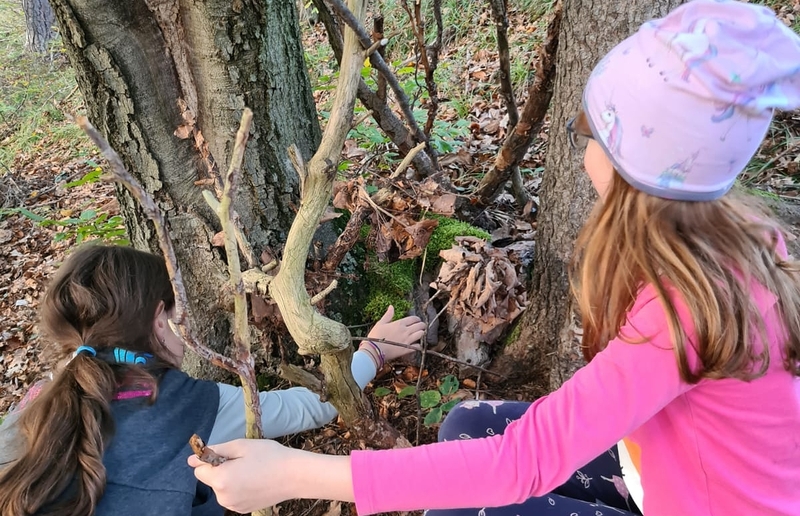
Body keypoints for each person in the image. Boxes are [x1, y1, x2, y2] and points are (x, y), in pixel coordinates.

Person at [188, 1, 800, 515]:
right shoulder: (726, 237)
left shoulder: (681, 309)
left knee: (468, 500)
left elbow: (527, 462)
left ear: (624, 163)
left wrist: (294, 474)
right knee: (466, 426)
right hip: (668, 471)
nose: (580, 141)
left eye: (587, 127)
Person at [0, 243, 426, 515]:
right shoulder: (194, 407)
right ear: (158, 322)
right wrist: (374, 350)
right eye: (172, 315)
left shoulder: (38, 401)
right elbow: (312, 405)